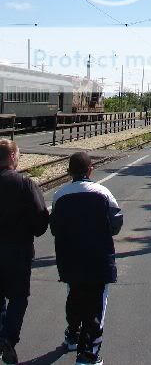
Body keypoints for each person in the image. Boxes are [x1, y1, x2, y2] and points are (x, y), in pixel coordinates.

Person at [50, 152, 123, 365]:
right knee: (96, 304)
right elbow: (117, 222)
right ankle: (88, 354)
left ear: (69, 172)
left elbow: (54, 227)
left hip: (69, 258)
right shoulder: (103, 192)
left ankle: (72, 335)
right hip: (98, 258)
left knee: (74, 296)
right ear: (91, 169)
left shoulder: (59, 195)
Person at [0, 138, 49, 365]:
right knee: (19, 298)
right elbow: (41, 220)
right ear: (12, 157)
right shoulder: (25, 184)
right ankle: (8, 338)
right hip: (18, 251)